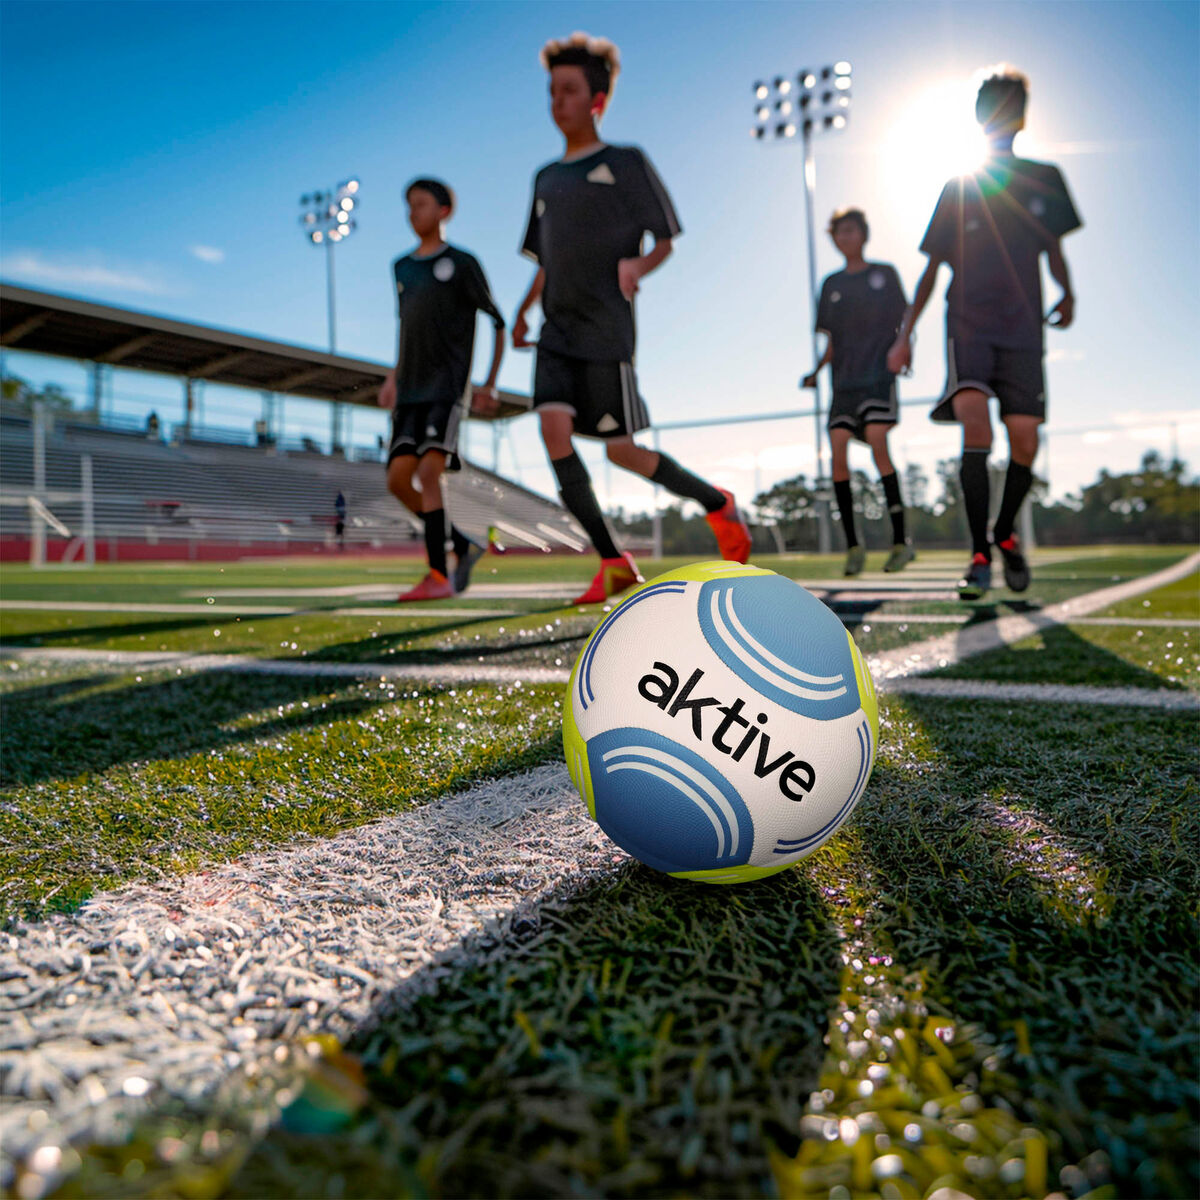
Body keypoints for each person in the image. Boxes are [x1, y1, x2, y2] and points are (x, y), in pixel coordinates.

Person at [512, 32, 752, 605]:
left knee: (622, 450)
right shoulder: (545, 178)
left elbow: (666, 236)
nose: (557, 101)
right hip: (555, 332)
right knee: (552, 430)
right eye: (551, 91)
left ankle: (716, 502)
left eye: (568, 91)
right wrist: (523, 312)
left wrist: (638, 264)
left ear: (596, 100)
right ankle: (613, 561)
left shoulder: (624, 162)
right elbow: (545, 260)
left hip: (606, 330)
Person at [888, 65, 1081, 600]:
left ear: (1021, 115)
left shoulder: (1045, 178)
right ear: (978, 117)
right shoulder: (959, 186)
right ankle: (978, 554)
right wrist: (906, 333)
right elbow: (931, 267)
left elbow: (1054, 249)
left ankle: (1004, 532)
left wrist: (1068, 290)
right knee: (977, 426)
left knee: (1024, 438)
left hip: (1022, 328)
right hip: (968, 324)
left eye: (1008, 105)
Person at [379, 178, 506, 601]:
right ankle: (460, 543)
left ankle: (437, 575)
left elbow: (497, 321)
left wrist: (488, 382)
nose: (413, 212)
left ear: (444, 210)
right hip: (410, 389)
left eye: (421, 204)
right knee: (398, 480)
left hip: (446, 388)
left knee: (429, 472)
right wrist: (392, 378)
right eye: (409, 205)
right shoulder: (402, 268)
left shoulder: (463, 263)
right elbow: (404, 328)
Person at [802, 207, 914, 576]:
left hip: (877, 377)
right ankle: (853, 546)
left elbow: (904, 320)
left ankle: (901, 541)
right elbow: (832, 340)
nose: (844, 237)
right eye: (838, 232)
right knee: (836, 449)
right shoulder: (831, 285)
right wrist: (816, 372)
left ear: (863, 234)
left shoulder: (884, 274)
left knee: (879, 444)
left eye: (850, 230)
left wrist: (905, 347)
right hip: (843, 383)